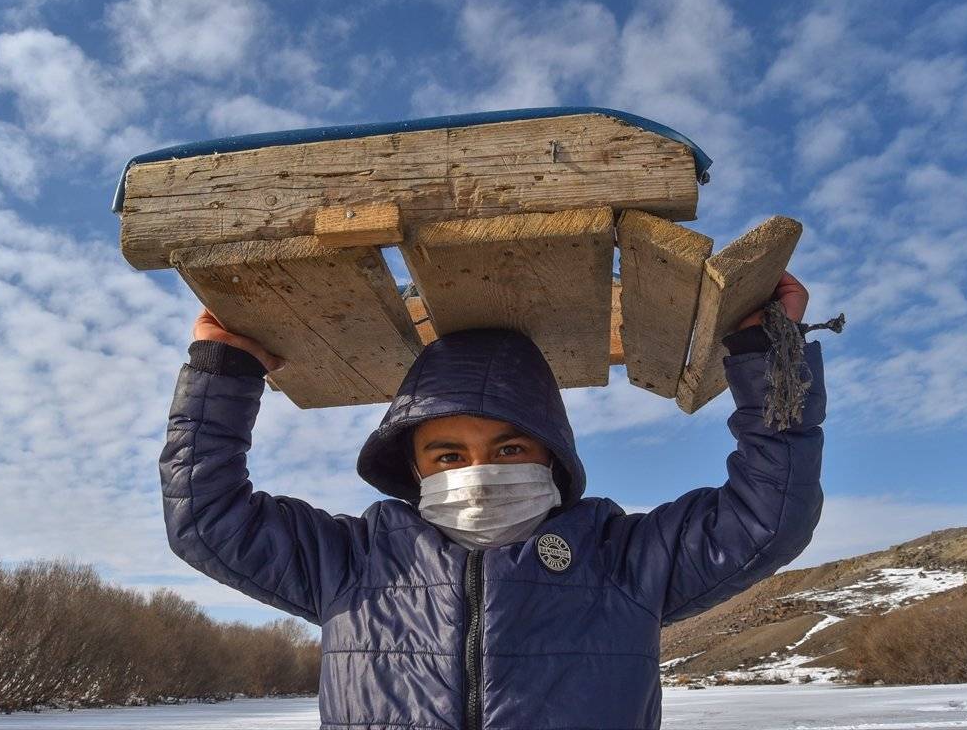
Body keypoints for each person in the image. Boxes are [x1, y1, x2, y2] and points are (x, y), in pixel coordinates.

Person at [159, 271, 826, 727]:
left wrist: (770, 354)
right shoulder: (353, 564)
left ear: (551, 456)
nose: (478, 472)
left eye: (509, 449)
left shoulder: (623, 560)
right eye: (447, 455)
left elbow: (767, 514)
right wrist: (224, 371)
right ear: (413, 470)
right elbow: (206, 515)